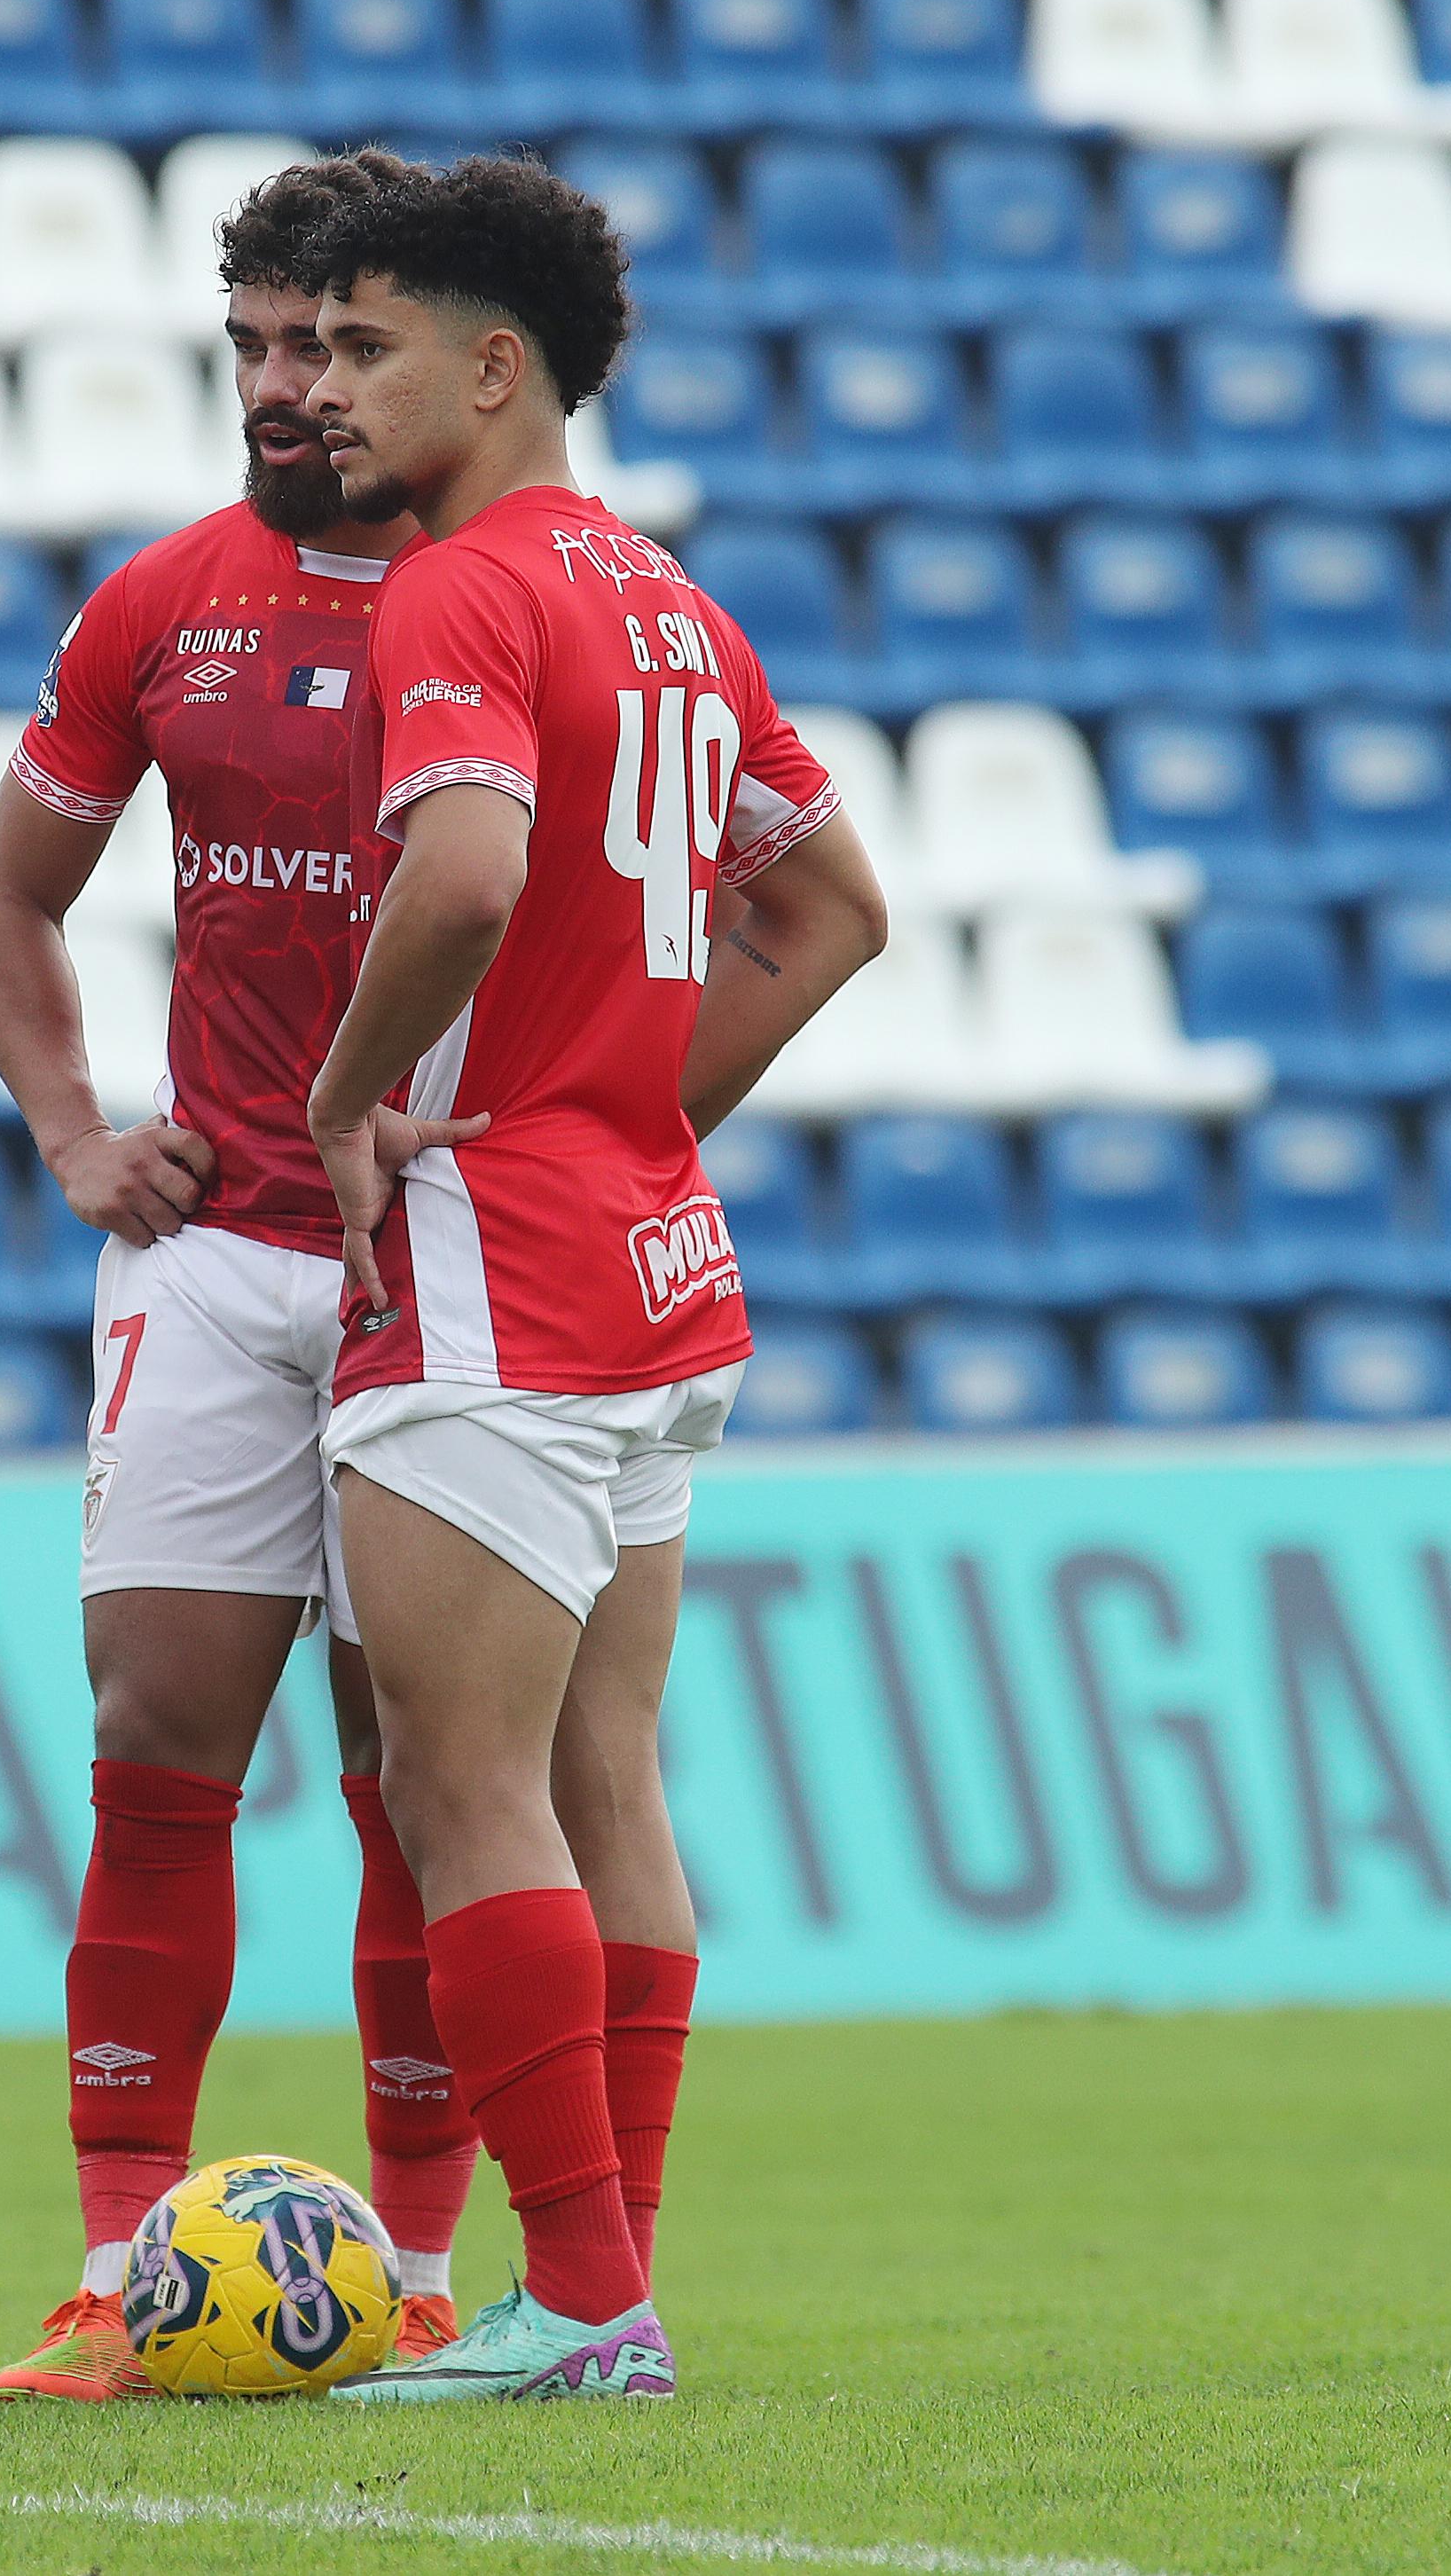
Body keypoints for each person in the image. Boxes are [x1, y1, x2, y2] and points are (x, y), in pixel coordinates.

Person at [289, 157, 890, 2404]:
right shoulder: (666, 600)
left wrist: (355, 1100)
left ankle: (574, 2301)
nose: (325, 388)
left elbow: (457, 879)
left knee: (467, 1789)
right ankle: (609, 2295)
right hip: (648, 1251)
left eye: (366, 347)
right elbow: (834, 907)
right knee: (609, 1772)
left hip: (496, 1274)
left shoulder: (457, 597)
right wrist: (630, 1103)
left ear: (493, 365)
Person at [0, 153, 484, 2400]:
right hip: (219, 1252)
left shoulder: (529, 602)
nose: (285, 386)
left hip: (447, 1260)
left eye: (329, 344)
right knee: (160, 1748)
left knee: (421, 1773)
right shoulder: (167, 603)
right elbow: (5, 902)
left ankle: (434, 2269)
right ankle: (111, 2270)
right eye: (256, 343)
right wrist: (79, 1135)